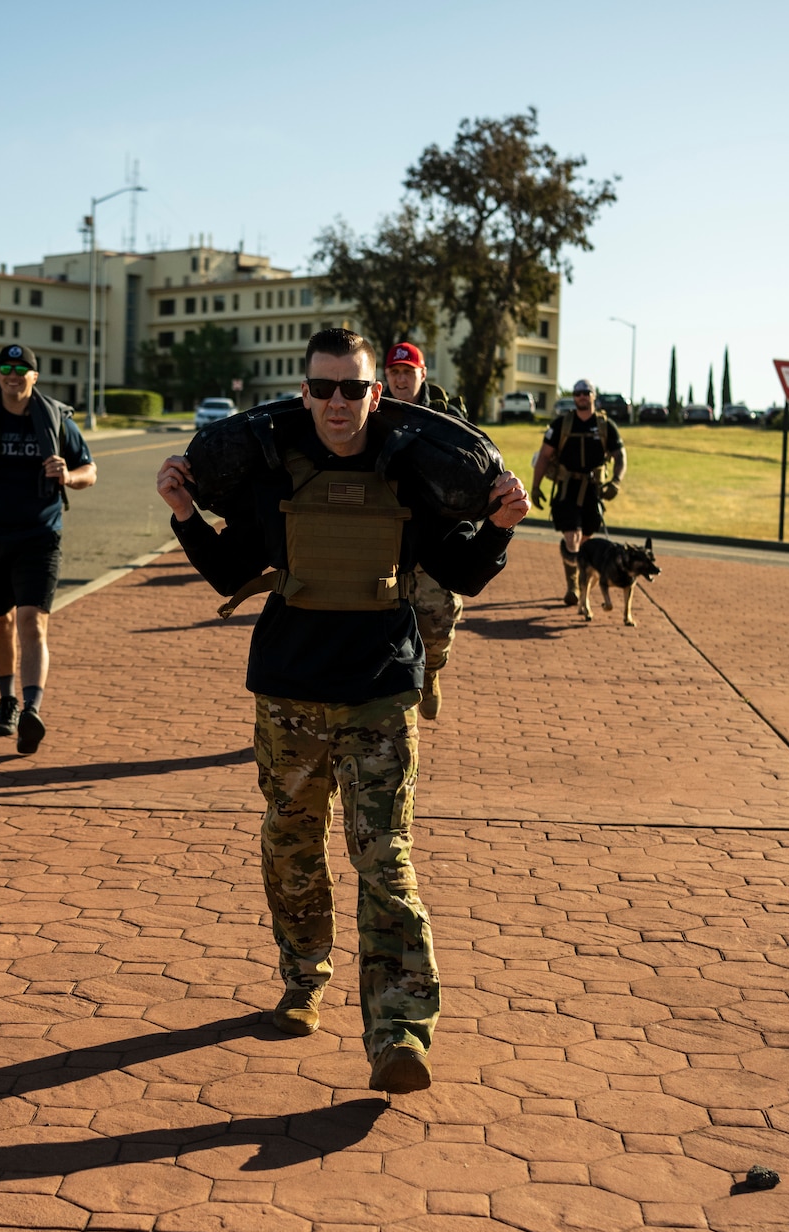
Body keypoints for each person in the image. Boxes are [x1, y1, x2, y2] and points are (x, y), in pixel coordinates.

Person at [156, 328, 530, 1094]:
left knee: (382, 856)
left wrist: (499, 525)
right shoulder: (276, 471)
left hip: (381, 691)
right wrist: (185, 514)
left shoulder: (410, 469)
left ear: (375, 393)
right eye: (322, 388)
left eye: (352, 388)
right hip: (290, 691)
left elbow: (459, 569)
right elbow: (231, 567)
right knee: (291, 845)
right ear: (303, 393)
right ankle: (304, 978)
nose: (337, 402)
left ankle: (399, 1030)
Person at [0, 344, 96, 754]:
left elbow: (90, 470)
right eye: (6, 368)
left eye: (21, 369)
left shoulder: (55, 420)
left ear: (35, 376)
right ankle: (7, 701)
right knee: (1, 622)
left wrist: (69, 475)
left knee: (32, 620)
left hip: (40, 534)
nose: (13, 375)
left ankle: (32, 709)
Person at [382, 342, 465, 720]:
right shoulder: (372, 412)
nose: (401, 379)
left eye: (408, 372)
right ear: (386, 376)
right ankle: (389, 701)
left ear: (423, 373)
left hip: (433, 536)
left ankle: (430, 671)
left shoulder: (447, 416)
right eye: (395, 372)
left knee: (435, 621)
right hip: (384, 538)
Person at [531, 378, 626, 605]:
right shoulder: (562, 424)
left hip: (593, 490)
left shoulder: (606, 426)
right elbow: (544, 455)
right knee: (571, 534)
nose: (581, 396)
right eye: (577, 393)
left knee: (586, 540)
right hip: (566, 488)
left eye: (586, 392)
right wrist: (535, 486)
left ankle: (582, 581)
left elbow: (620, 456)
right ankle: (573, 586)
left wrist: (616, 482)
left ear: (594, 396)